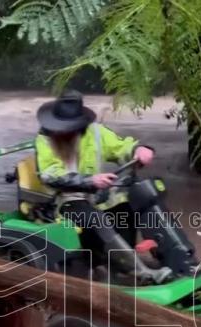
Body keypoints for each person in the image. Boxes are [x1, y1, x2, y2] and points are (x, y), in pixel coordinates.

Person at [35, 90, 175, 284]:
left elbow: (120, 147)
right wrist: (90, 181)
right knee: (95, 218)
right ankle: (140, 271)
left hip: (95, 195)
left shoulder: (95, 132)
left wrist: (138, 149)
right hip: (62, 201)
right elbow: (50, 175)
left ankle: (148, 259)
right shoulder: (44, 140)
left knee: (131, 204)